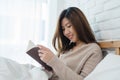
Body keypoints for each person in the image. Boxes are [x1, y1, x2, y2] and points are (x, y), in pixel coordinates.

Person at [38, 7, 103, 80]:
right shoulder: (67, 49)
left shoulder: (93, 50)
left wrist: (53, 61)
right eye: (63, 29)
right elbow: (58, 72)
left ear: (79, 24)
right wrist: (48, 67)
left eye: (69, 26)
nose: (66, 32)